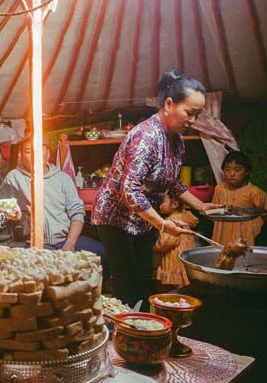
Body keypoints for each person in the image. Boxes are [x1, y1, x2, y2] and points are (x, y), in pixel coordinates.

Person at [91, 69, 221, 307]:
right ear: (169, 104)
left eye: (197, 115)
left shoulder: (176, 139)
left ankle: (144, 328)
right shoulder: (147, 137)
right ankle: (125, 335)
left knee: (144, 276)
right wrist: (162, 224)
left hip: (142, 216)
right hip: (114, 216)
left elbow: (172, 180)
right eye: (190, 113)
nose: (193, 121)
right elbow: (129, 191)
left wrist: (202, 207)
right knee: (126, 281)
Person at [5, 136, 107, 262]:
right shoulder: (14, 178)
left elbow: (77, 212)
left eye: (40, 149)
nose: (34, 155)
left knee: (106, 256)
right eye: (28, 151)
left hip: (65, 239)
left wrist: (70, 243)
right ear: (20, 155)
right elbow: (9, 213)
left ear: (47, 153)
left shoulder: (62, 178)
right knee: (53, 266)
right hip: (33, 243)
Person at [211, 151, 267, 246]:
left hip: (248, 236)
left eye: (237, 170)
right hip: (224, 234)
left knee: (247, 258)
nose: (231, 174)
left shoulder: (255, 193)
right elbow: (214, 213)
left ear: (247, 172)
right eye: (227, 169)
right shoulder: (220, 189)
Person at [153, 191, 198, 291]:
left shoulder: (170, 223)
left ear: (174, 204)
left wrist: (154, 247)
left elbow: (166, 243)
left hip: (174, 258)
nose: (159, 205)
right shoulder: (185, 215)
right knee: (185, 281)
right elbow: (194, 221)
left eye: (162, 202)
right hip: (186, 254)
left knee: (178, 282)